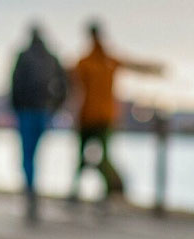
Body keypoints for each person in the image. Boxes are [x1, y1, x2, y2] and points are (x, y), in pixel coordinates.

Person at [68, 21, 162, 203]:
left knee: (83, 155)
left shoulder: (85, 62)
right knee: (103, 156)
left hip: (88, 116)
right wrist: (155, 70)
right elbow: (134, 66)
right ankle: (106, 191)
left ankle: (78, 191)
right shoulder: (107, 60)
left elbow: (73, 86)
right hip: (105, 116)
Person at [10, 26, 67, 221]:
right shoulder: (52, 58)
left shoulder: (23, 56)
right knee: (37, 153)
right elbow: (64, 85)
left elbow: (14, 83)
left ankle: (30, 190)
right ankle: (33, 189)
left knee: (27, 155)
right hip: (44, 112)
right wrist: (55, 107)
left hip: (26, 112)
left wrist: (16, 108)